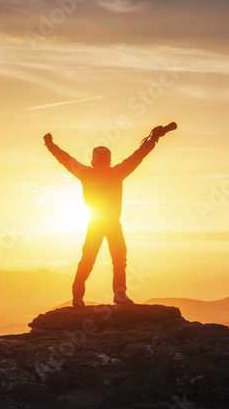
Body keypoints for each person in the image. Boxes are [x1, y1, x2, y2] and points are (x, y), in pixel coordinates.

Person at [43, 124, 175, 307]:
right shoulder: (117, 172)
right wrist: (153, 139)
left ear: (94, 160)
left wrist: (50, 145)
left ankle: (78, 298)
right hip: (112, 223)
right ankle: (119, 295)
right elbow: (138, 156)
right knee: (119, 260)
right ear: (108, 160)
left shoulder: (86, 173)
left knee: (88, 261)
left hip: (96, 223)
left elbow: (65, 159)